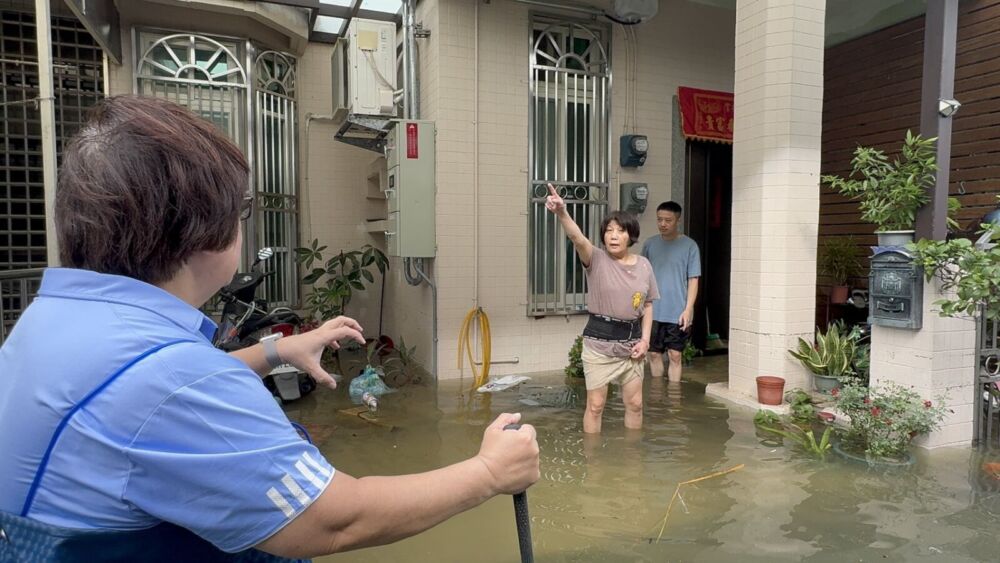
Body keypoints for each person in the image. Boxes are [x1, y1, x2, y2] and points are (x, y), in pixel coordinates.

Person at [0, 95, 539, 562]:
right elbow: (334, 520)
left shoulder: (52, 320)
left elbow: (135, 402)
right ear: (205, 232)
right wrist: (490, 473)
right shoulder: (176, 381)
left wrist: (277, 351)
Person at [544, 184, 659, 434]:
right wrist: (562, 212)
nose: (613, 236)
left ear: (631, 235)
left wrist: (646, 340)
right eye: (609, 231)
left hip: (632, 347)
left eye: (620, 231)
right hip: (599, 346)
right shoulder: (595, 258)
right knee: (595, 406)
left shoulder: (644, 265)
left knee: (636, 404)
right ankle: (593, 465)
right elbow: (576, 237)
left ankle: (632, 459)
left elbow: (648, 305)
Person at [641, 201, 701, 383]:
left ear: (677, 220)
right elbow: (641, 275)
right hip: (653, 310)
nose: (663, 224)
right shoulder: (650, 244)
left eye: (668, 220)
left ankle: (674, 402)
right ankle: (658, 397)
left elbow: (693, 279)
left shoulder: (690, 246)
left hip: (677, 311)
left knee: (675, 355)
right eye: (659, 220)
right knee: (653, 354)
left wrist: (688, 309)